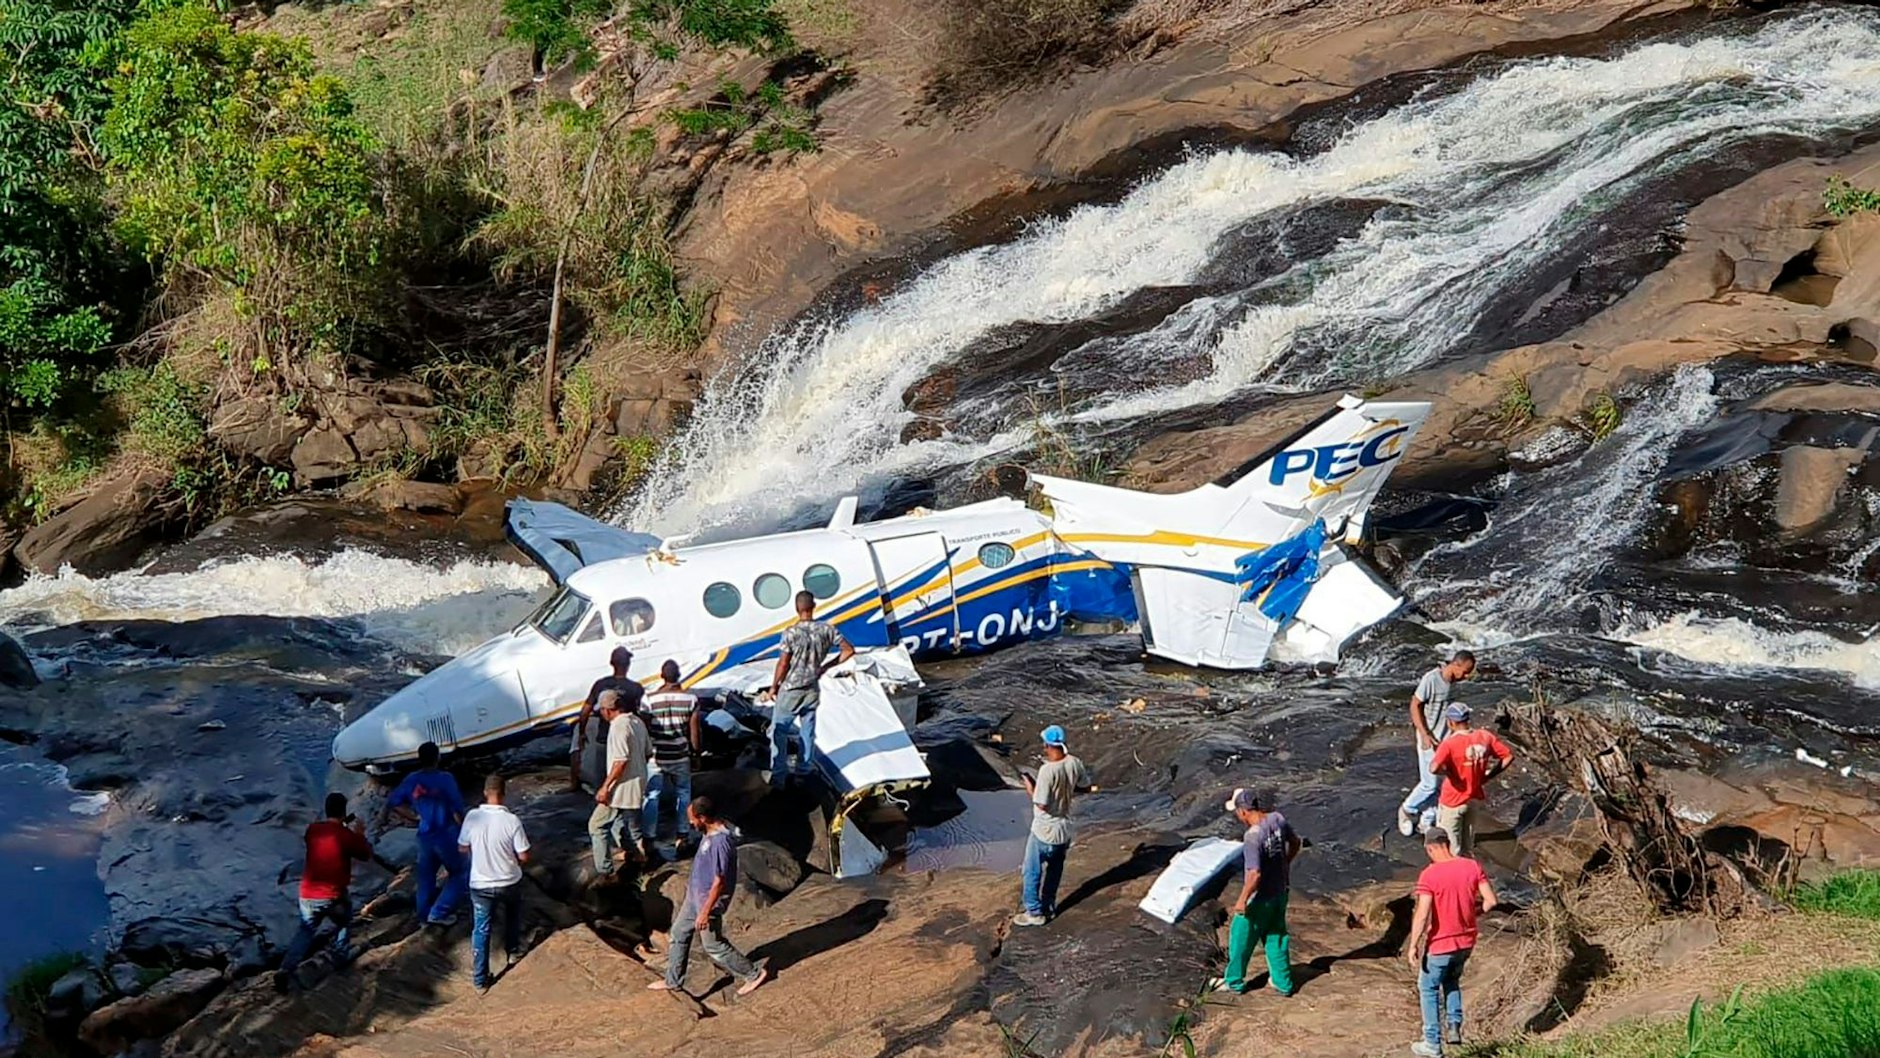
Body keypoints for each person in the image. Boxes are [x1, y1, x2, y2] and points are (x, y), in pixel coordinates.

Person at [647, 796, 769, 997]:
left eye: (692, 819)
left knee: (713, 945)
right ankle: (673, 980)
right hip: (694, 897)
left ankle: (753, 973)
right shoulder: (708, 833)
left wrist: (705, 912)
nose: (690, 823)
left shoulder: (720, 843)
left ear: (702, 818)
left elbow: (719, 882)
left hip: (708, 903)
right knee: (678, 933)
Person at [1404, 827, 1498, 1056]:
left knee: (1428, 988)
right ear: (1448, 843)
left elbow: (1423, 913)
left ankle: (1432, 1043)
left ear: (1430, 848)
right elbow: (1491, 901)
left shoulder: (1430, 874)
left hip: (1440, 943)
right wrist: (1473, 914)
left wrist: (1413, 944)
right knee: (1452, 981)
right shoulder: (1471, 866)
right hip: (1466, 941)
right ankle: (1454, 1026)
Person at [276, 792, 374, 992]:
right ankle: (340, 954)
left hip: (307, 893)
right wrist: (360, 834)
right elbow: (365, 854)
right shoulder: (346, 836)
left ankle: (286, 968)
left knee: (305, 930)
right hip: (332, 895)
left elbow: (326, 839)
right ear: (344, 811)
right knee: (344, 918)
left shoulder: (313, 830)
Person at [1214, 788, 1301, 996]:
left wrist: (1242, 900)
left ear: (1243, 811)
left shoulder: (1252, 837)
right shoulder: (1277, 819)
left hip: (1259, 898)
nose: (1237, 815)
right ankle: (1283, 983)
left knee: (1240, 936)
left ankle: (1233, 982)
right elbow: (1296, 842)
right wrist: (1285, 863)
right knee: (1276, 936)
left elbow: (1254, 874)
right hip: (1280, 891)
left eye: (1236, 811)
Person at [766, 591, 853, 789]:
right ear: (813, 606)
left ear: (797, 609)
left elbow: (783, 663)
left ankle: (779, 776)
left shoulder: (791, 633)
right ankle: (803, 771)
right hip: (812, 687)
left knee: (779, 731)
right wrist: (825, 667)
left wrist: (773, 687)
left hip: (791, 688)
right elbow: (848, 650)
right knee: (807, 730)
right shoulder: (827, 629)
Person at [377, 741, 466, 926]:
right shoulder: (446, 778)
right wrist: (466, 833)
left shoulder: (411, 779)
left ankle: (423, 917)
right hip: (446, 834)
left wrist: (412, 817)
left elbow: (393, 801)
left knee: (426, 877)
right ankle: (440, 911)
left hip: (425, 835)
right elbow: (457, 810)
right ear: (437, 757)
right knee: (459, 872)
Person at [459, 773, 532, 993]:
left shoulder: (472, 817)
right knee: (512, 915)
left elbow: (462, 847)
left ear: (485, 793)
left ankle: (480, 980)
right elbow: (524, 856)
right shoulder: (511, 821)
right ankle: (513, 951)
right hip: (508, 881)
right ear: (504, 794)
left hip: (480, 885)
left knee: (481, 929)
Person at [1013, 724, 1092, 927]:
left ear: (1048, 745)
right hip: (1064, 830)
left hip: (1043, 830)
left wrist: (1030, 786)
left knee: (1031, 872)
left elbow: (1041, 803)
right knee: (1054, 871)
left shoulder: (1047, 770)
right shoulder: (1075, 763)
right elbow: (1085, 787)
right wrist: (1065, 792)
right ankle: (1049, 907)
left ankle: (1034, 912)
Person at [1398, 651, 1477, 837]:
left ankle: (1427, 820)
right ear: (1456, 664)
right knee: (1429, 784)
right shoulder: (1432, 679)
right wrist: (1425, 734)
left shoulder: (1455, 684)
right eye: (1465, 672)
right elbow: (1414, 705)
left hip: (1447, 740)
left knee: (1442, 784)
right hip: (1430, 739)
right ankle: (1407, 810)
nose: (1466, 677)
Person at [1428, 703, 1514, 857]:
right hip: (1474, 797)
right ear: (1467, 719)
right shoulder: (1485, 736)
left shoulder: (1449, 744)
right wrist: (1488, 776)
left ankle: (1455, 878)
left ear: (1450, 722)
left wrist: (1448, 772)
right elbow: (1508, 756)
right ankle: (1469, 874)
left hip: (1452, 800)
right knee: (1467, 844)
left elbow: (1433, 768)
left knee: (1450, 847)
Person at [642, 659, 702, 860]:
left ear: (662, 675)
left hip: (656, 755)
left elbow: (645, 728)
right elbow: (694, 731)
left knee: (652, 796)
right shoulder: (691, 700)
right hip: (680, 755)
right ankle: (682, 836)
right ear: (678, 676)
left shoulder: (649, 700)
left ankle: (648, 839)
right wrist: (696, 754)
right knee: (683, 794)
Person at [590, 688, 651, 875]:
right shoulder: (637, 721)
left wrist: (605, 787)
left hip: (621, 787)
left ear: (607, 709)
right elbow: (648, 752)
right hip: (638, 781)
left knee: (596, 825)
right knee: (620, 822)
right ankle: (635, 853)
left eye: (601, 710)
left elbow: (620, 761)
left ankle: (606, 872)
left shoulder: (618, 726)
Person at [571, 646, 640, 793]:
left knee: (601, 779)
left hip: (604, 739)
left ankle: (602, 803)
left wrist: (582, 733)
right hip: (624, 740)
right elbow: (640, 717)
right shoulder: (635, 688)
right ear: (628, 665)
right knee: (624, 781)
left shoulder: (600, 684)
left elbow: (585, 710)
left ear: (611, 663)